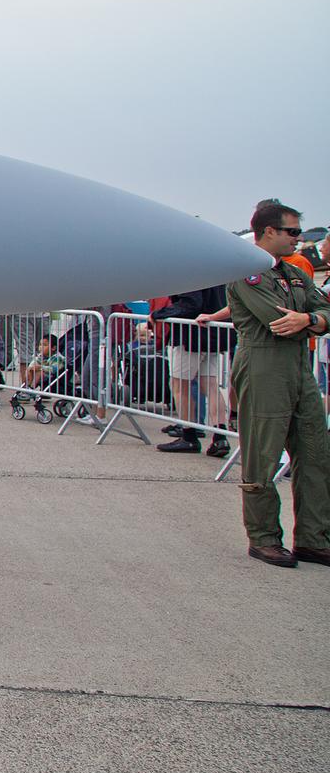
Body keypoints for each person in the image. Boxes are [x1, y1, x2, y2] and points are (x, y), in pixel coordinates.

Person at [226, 200, 330, 568]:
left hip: (299, 368)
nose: (299, 240)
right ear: (268, 231)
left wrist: (309, 319)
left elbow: (325, 310)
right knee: (263, 455)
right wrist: (311, 320)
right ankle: (265, 537)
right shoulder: (246, 272)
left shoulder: (296, 273)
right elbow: (276, 319)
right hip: (263, 364)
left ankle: (314, 538)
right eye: (292, 232)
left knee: (317, 453)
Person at [152, 284, 230, 456]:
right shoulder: (217, 270)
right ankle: (220, 436)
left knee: (180, 385)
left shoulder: (191, 273)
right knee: (210, 384)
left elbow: (191, 304)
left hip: (190, 334)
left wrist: (159, 314)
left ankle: (188, 435)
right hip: (215, 332)